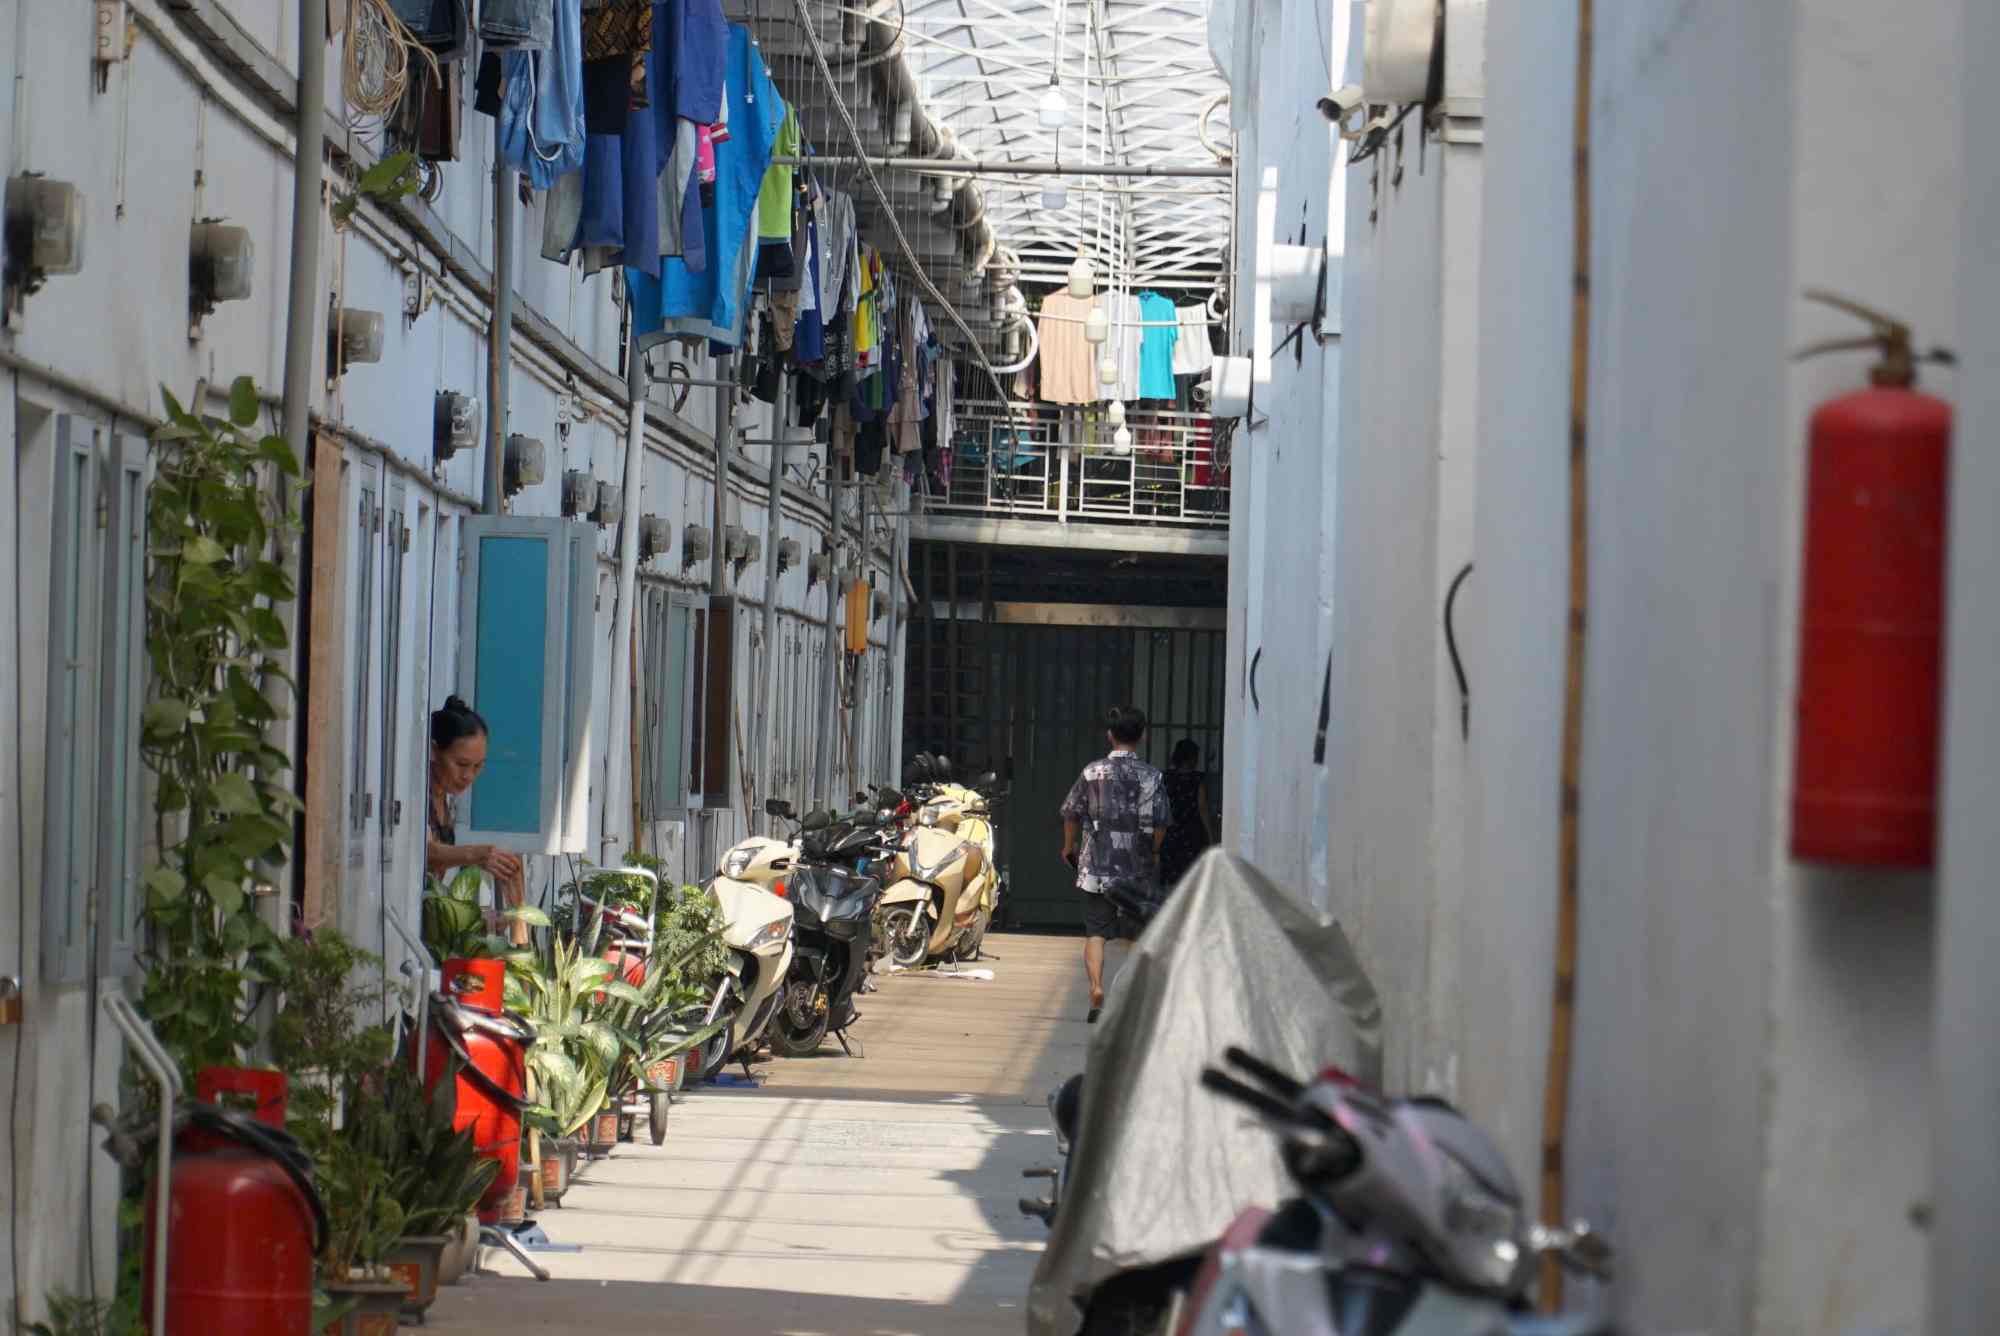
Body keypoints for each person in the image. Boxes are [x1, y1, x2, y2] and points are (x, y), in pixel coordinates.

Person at [1059, 705, 1169, 1024]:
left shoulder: (1092, 772)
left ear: (1110, 735)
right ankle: (1134, 998)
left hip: (1097, 865)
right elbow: (1161, 822)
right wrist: (1155, 851)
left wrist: (1068, 847)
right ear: (1143, 736)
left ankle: (1096, 990)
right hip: (1138, 866)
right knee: (1142, 932)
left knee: (1096, 931)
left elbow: (1071, 812)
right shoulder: (1152, 776)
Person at [426, 696, 530, 947]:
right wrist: (479, 855)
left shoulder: (444, 799)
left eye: (478, 766)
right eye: (461, 764)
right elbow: (427, 852)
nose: (468, 776)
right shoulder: (419, 795)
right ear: (433, 750)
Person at [1158, 739, 1215, 891]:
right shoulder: (1197, 779)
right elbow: (1202, 808)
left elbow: (1159, 808)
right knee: (1193, 880)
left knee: (1171, 882)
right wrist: (1210, 836)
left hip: (1171, 834)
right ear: (1191, 757)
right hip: (1193, 834)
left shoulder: (1166, 777)